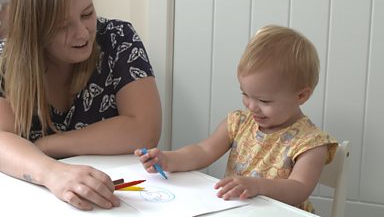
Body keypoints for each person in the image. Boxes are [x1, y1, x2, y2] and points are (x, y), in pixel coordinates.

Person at [0, 0, 162, 211]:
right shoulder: (1, 59)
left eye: (87, 14)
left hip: (111, 190)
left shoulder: (119, 39)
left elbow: (145, 130)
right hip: (25, 196)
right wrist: (52, 173)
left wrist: (47, 145)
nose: (82, 33)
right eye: (63, 26)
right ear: (34, 29)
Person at [135, 25, 337, 213]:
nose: (251, 106)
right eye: (245, 94)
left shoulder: (311, 143)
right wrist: (168, 159)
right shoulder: (239, 122)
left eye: (264, 100)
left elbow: (298, 189)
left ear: (301, 96)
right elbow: (203, 151)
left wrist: (257, 186)